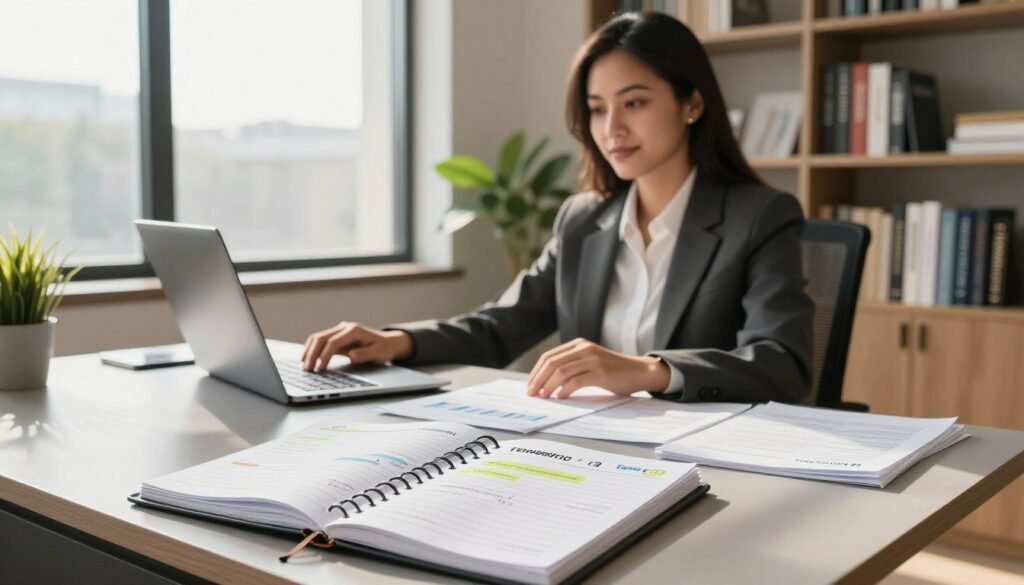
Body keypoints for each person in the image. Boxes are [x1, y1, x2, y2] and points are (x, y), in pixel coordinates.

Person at [301, 12, 813, 404]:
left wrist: (645, 370)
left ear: (692, 104)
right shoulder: (584, 218)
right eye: (596, 109)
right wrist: (394, 342)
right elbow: (501, 326)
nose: (611, 128)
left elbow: (781, 364)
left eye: (634, 102)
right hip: (590, 447)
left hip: (707, 463)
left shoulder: (760, 216)